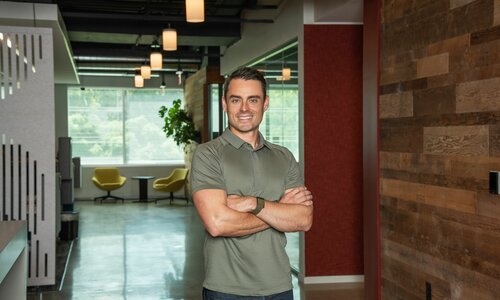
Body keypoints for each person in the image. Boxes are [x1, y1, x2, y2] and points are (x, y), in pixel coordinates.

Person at [190, 67, 313, 300]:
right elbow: (217, 223)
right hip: (226, 290)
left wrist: (253, 203)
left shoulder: (283, 156)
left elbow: (303, 219)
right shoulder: (208, 155)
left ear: (265, 103)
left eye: (253, 100)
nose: (245, 109)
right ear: (225, 104)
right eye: (236, 100)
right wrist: (278, 209)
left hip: (279, 287)